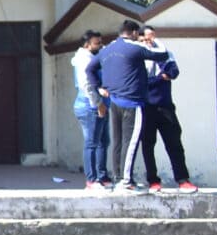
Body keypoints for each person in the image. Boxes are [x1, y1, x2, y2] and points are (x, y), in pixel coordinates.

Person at [86, 19, 174, 193]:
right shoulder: (135, 48)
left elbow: (90, 69)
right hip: (132, 102)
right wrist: (154, 40)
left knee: (118, 142)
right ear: (134, 33)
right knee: (130, 142)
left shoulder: (107, 50)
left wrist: (99, 87)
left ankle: (118, 178)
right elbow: (162, 54)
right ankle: (126, 182)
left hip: (115, 101)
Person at [137, 27, 197, 194]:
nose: (148, 41)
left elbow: (173, 72)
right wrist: (159, 78)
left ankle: (182, 179)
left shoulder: (165, 53)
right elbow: (140, 82)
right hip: (146, 107)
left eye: (150, 37)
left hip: (165, 105)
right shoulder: (137, 56)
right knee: (148, 145)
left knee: (174, 144)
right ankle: (153, 180)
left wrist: (159, 75)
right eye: (144, 39)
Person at [72, 31, 110, 191]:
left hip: (98, 103)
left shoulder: (93, 57)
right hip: (90, 105)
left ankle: (102, 176)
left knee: (103, 141)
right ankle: (92, 179)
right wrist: (98, 103)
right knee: (92, 143)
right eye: (97, 43)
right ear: (86, 45)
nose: (100, 45)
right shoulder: (84, 60)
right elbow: (86, 85)